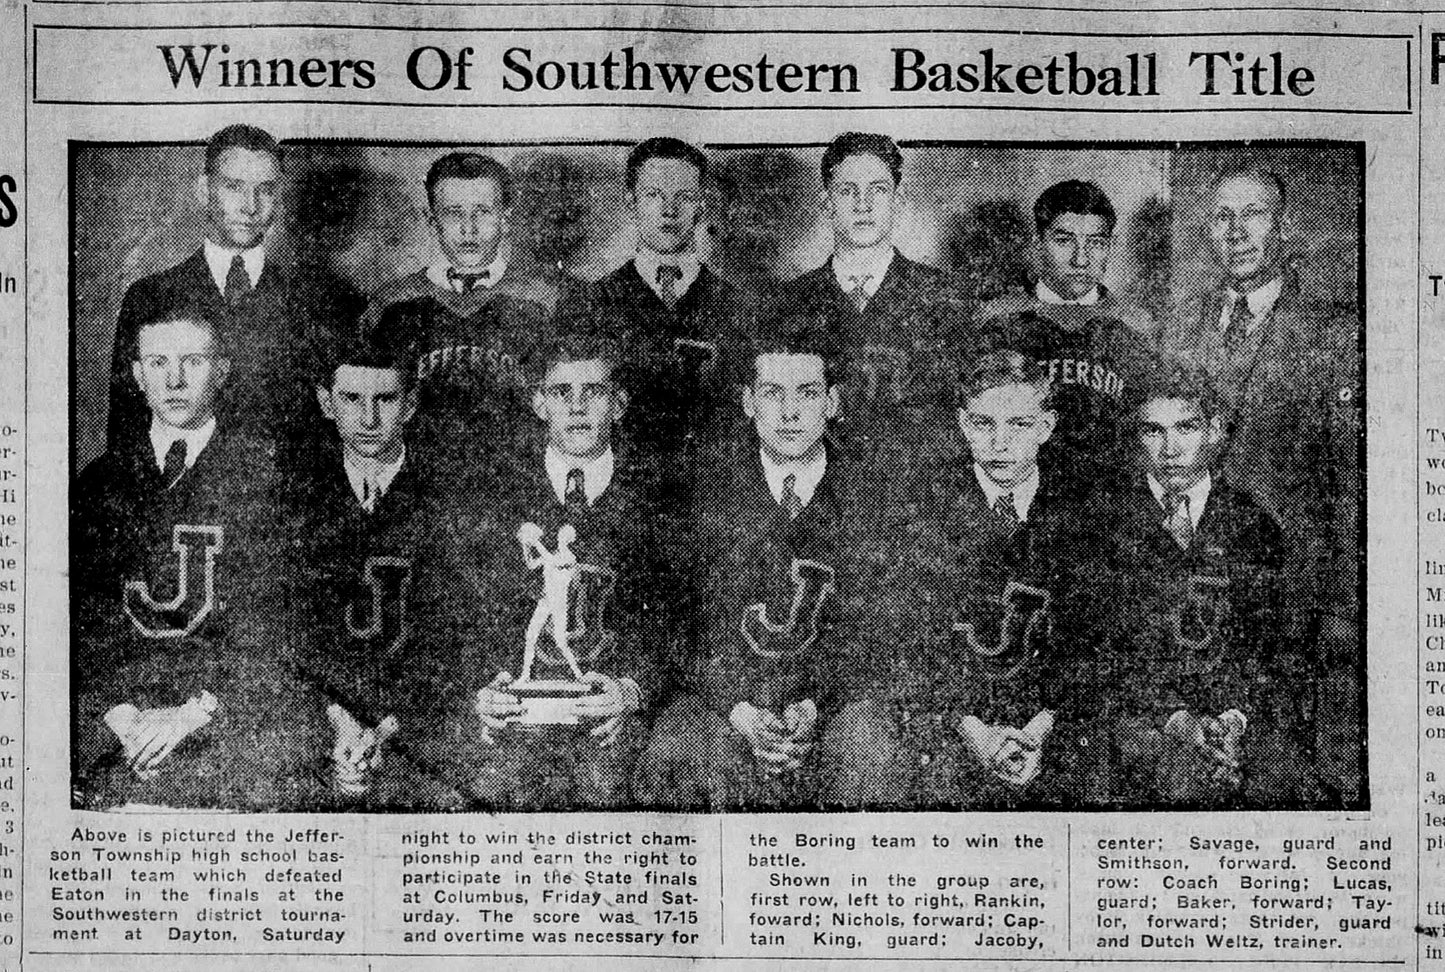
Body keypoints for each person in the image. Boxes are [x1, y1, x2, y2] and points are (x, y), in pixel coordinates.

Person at [634, 318, 908, 810]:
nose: (788, 412)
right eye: (772, 393)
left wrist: (815, 705)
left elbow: (881, 629)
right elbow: (680, 622)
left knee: (869, 751)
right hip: (728, 698)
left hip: (834, 699)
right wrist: (739, 708)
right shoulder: (704, 490)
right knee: (677, 751)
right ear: (748, 403)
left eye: (806, 394)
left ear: (832, 404)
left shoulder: (873, 493)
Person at [1161, 167, 1362, 806]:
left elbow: (1348, 484)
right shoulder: (1184, 327)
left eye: (1253, 215)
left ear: (1280, 225)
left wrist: (1340, 603)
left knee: (1294, 776)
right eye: (1222, 218)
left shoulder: (1331, 336)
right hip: (1198, 596)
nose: (1237, 232)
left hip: (1293, 599)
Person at [73, 309, 323, 810]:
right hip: (118, 726)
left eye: (193, 361)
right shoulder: (100, 483)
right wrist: (122, 717)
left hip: (223, 721)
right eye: (158, 363)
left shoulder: (266, 475)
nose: (175, 379)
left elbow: (277, 628)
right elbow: (80, 625)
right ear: (138, 376)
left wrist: (193, 714)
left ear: (222, 372)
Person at [440, 329, 674, 810]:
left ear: (620, 404)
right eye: (561, 393)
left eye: (594, 392)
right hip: (514, 713)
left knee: (617, 791)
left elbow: (676, 615)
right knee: (487, 789)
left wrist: (632, 690)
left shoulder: (658, 496)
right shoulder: (494, 490)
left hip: (611, 715)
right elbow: (460, 608)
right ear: (539, 403)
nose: (578, 407)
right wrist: (481, 688)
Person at [1082, 363, 1309, 807]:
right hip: (1135, 724)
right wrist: (1179, 721)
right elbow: (1099, 651)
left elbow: (1266, 647)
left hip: (1233, 722)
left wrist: (1232, 718)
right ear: (1135, 436)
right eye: (1153, 431)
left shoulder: (1253, 524)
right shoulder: (1102, 522)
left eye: (1185, 428)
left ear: (1213, 430)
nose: (1170, 448)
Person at [897, 350, 1106, 808]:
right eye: (983, 423)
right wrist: (977, 734)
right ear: (963, 424)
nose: (999, 442)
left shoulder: (1084, 505)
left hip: (1053, 720)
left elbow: (1093, 639)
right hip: (955, 721)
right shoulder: (924, 502)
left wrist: (1039, 730)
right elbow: (914, 640)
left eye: (1019, 425)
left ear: (1047, 427)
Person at [283, 324, 469, 810]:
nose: (368, 418)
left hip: (420, 723)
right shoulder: (295, 497)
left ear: (409, 405)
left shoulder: (451, 497)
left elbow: (461, 638)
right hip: (318, 720)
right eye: (351, 399)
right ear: (326, 402)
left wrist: (388, 726)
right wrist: (339, 720)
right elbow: (288, 632)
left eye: (385, 401)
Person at [106, 124, 362, 460]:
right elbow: (127, 435)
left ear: (279, 197)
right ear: (204, 190)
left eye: (266, 190)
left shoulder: (318, 300)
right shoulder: (151, 297)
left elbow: (336, 435)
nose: (250, 206)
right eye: (234, 187)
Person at [365, 152, 581, 454]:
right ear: (432, 219)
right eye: (454, 213)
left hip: (521, 479)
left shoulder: (545, 298)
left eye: (482, 212)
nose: (469, 229)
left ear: (505, 219)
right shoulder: (391, 303)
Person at [778, 132, 969, 470]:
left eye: (878, 190)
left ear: (898, 200)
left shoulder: (944, 297)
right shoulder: (788, 303)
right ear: (826, 201)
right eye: (847, 191)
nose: (862, 205)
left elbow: (961, 418)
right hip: (820, 498)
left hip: (915, 501)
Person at [581, 137, 752, 485]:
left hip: (711, 497)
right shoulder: (591, 303)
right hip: (621, 496)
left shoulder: (737, 305)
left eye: (684, 197)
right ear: (631, 202)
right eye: (654, 196)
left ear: (701, 206)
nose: (669, 210)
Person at [978, 179, 1156, 339]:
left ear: (1111, 245)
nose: (1080, 260)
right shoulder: (999, 319)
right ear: (1038, 244)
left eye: (1096, 243)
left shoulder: (1135, 324)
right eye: (1064, 241)